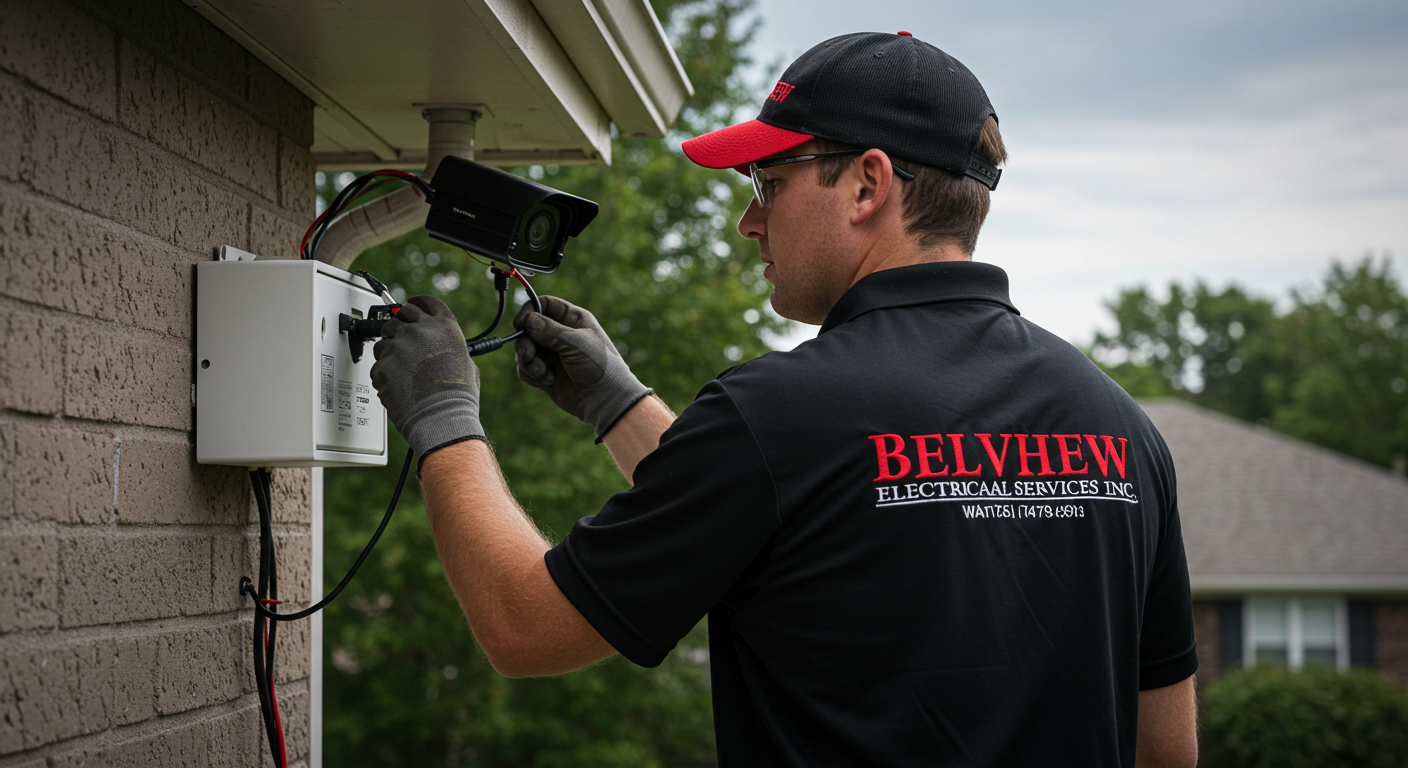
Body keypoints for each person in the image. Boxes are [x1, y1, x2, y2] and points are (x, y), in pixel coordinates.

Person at [371, 31, 1199, 767]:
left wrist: (443, 416)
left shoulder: (777, 412)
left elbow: (525, 626)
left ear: (868, 185)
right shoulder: (1121, 428)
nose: (747, 221)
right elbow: (1166, 749)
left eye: (768, 183)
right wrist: (617, 404)